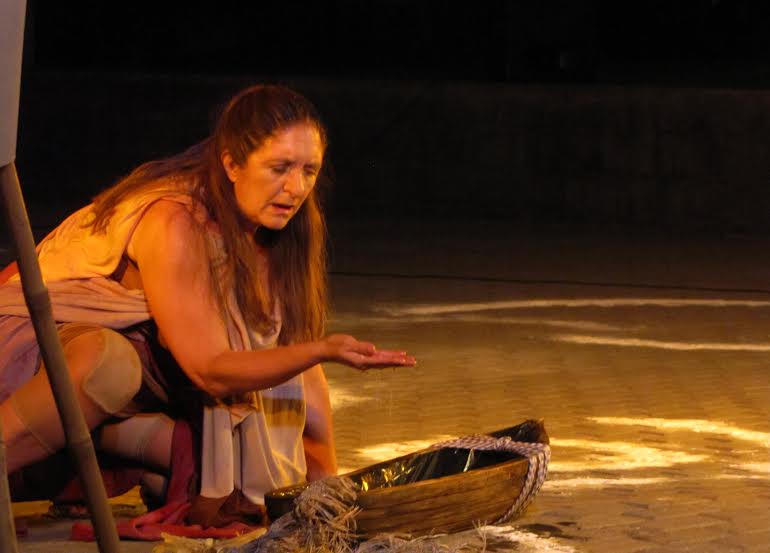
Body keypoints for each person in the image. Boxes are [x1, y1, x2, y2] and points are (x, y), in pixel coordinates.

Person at [0, 83, 415, 530]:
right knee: (110, 368)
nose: (296, 188)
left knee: (210, 471)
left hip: (135, 375)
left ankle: (95, 463)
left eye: (308, 171)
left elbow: (297, 370)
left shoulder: (281, 228)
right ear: (232, 164)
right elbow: (211, 370)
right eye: (279, 168)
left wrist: (326, 489)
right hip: (27, 342)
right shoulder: (174, 220)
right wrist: (323, 349)